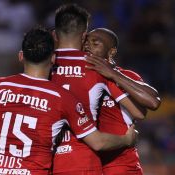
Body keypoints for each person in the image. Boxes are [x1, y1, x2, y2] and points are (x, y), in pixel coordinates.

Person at [0, 27, 137, 175]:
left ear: (21, 56)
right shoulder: (62, 98)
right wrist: (126, 139)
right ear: (53, 59)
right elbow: (98, 142)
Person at [50, 4, 145, 175]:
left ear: (54, 35)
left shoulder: (43, 64)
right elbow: (138, 112)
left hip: (49, 160)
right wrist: (127, 138)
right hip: (84, 160)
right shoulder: (95, 65)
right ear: (84, 35)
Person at [84, 28, 161, 175]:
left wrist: (113, 74)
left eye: (95, 43)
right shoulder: (77, 77)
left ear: (111, 52)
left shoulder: (126, 76)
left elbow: (152, 102)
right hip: (86, 163)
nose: (87, 46)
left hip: (120, 164)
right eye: (86, 42)